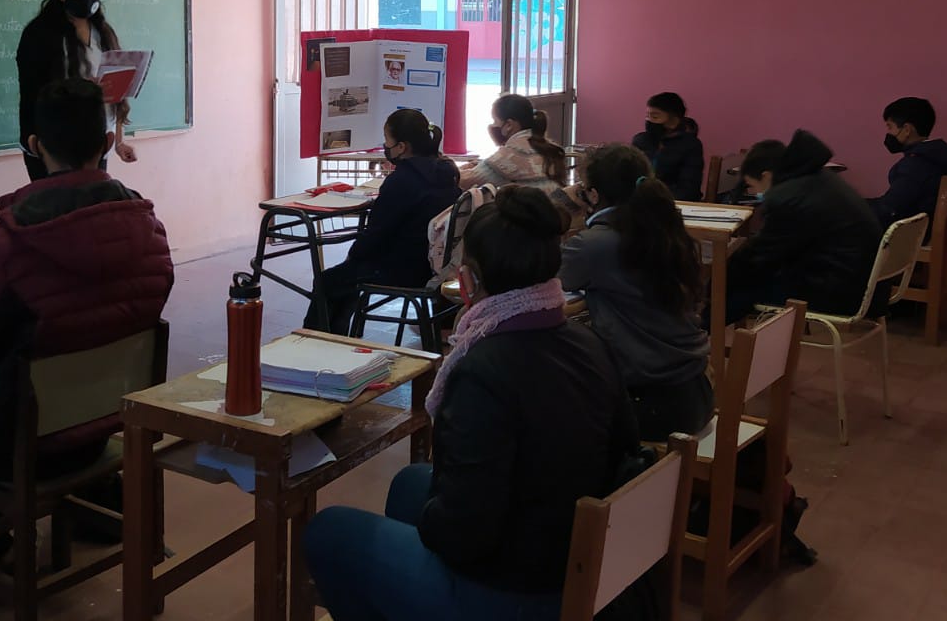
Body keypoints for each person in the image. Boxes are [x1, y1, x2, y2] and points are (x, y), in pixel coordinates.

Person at [303, 187, 639, 621]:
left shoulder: (484, 370)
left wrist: (442, 508)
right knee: (410, 483)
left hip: (513, 615)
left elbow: (465, 533)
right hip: (580, 583)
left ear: (468, 281)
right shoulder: (586, 342)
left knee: (328, 532)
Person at [0, 78, 174, 565]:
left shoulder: (6, 243)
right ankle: (93, 506)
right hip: (111, 423)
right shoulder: (150, 230)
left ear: (33, 145)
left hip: (29, 440)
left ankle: (2, 550)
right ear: (107, 142)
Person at [561, 144, 713, 440]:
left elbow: (553, 276)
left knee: (552, 409)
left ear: (592, 195)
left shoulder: (594, 244)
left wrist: (570, 215)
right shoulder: (667, 227)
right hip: (696, 389)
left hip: (652, 405)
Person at [304, 108, 460, 336]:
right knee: (345, 278)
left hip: (403, 269)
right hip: (435, 264)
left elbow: (377, 233)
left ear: (402, 147)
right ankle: (334, 339)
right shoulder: (448, 172)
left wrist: (353, 255)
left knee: (329, 281)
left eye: (387, 140)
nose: (385, 146)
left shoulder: (401, 180)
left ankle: (316, 342)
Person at [725, 130, 882, 321]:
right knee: (745, 279)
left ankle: (702, 334)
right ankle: (703, 335)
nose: (756, 193)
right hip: (861, 284)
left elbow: (761, 254)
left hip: (839, 292)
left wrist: (721, 275)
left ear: (766, 176)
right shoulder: (818, 177)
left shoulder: (787, 197)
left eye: (753, 186)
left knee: (741, 287)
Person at [16, 0, 137, 182]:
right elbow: (32, 92)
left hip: (96, 142)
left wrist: (118, 141)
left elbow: (116, 93)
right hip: (55, 145)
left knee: (90, 207)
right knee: (56, 209)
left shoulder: (104, 33)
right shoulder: (39, 34)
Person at [457, 93, 584, 229]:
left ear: (509, 125)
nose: (492, 126)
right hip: (553, 225)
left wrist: (462, 168)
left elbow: (462, 180)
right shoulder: (548, 147)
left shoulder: (511, 154)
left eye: (495, 121)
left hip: (527, 229)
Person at [868, 96, 947, 227]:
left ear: (907, 130)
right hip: (921, 229)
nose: (888, 133)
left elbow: (890, 209)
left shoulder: (916, 165)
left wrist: (852, 208)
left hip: (908, 234)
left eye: (890, 127)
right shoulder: (937, 156)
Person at [629, 91, 704, 202]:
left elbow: (688, 189)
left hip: (673, 203)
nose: (649, 121)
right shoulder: (640, 140)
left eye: (655, 116)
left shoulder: (691, 145)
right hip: (638, 203)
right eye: (647, 116)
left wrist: (655, 198)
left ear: (674, 121)